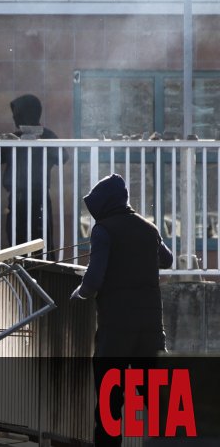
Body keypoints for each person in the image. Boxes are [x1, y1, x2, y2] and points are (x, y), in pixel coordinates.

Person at [70, 173, 173, 447]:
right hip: (151, 330)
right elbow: (168, 260)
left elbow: (93, 280)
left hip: (116, 332)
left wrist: (80, 293)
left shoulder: (104, 230)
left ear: (103, 205)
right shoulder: (148, 229)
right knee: (159, 400)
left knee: (110, 404)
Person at [0, 94, 63, 242]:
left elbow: (63, 157)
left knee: (41, 245)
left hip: (39, 199)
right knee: (17, 243)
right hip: (17, 199)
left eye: (17, 114)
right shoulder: (14, 139)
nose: (15, 119)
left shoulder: (47, 136)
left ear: (27, 114)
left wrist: (42, 141)